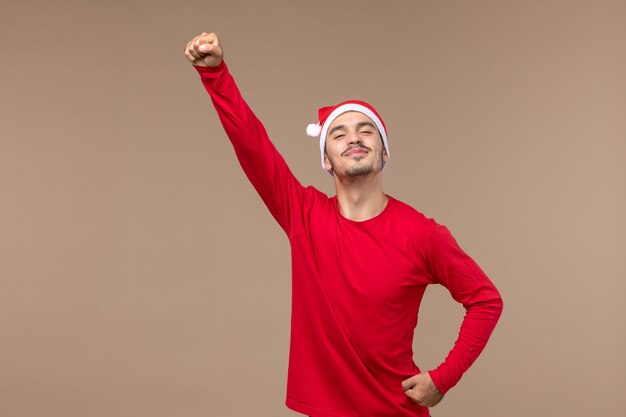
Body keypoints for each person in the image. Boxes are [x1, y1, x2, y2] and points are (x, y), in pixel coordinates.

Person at [184, 32, 503, 417]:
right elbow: (251, 144)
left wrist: (444, 377)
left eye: (366, 131)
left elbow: (486, 301)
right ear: (326, 161)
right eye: (339, 133)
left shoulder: (423, 234)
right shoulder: (303, 215)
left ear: (384, 152)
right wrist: (215, 74)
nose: (354, 138)